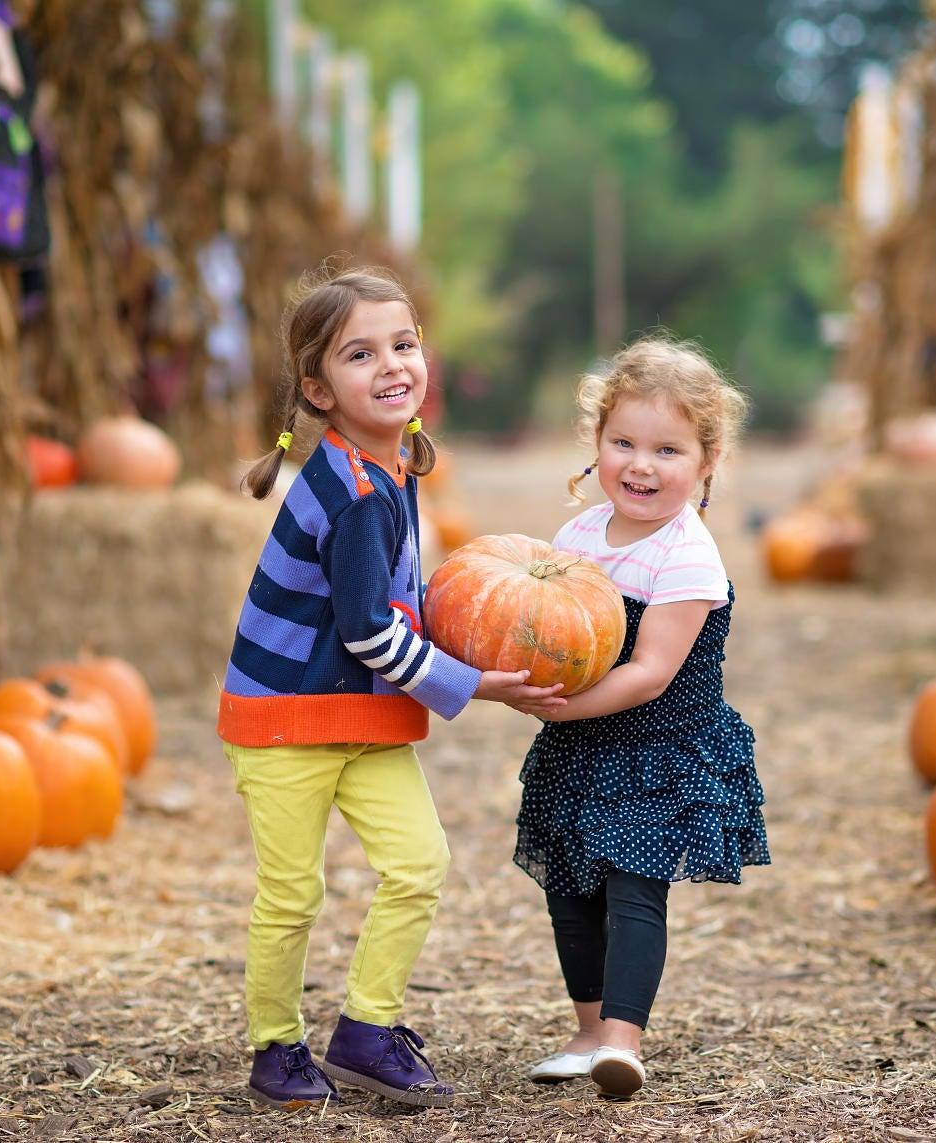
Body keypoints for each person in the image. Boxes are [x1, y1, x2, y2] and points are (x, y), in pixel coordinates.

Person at [217, 265, 564, 1110]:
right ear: (317, 388)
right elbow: (371, 628)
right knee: (294, 892)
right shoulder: (357, 493)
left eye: (403, 344)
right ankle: (275, 1045)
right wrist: (473, 681)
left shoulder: (389, 468)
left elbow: (390, 605)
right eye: (360, 353)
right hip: (285, 716)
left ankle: (366, 1030)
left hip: (358, 710)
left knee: (419, 862)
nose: (392, 364)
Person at [507, 337, 771, 1099]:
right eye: (622, 441)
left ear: (707, 462)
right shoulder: (578, 538)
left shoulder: (686, 555)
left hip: (659, 748)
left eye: (667, 448)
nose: (641, 464)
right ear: (596, 444)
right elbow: (553, 630)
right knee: (569, 888)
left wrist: (555, 704)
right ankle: (587, 1030)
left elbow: (650, 673)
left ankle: (623, 1040)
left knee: (632, 888)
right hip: (581, 746)